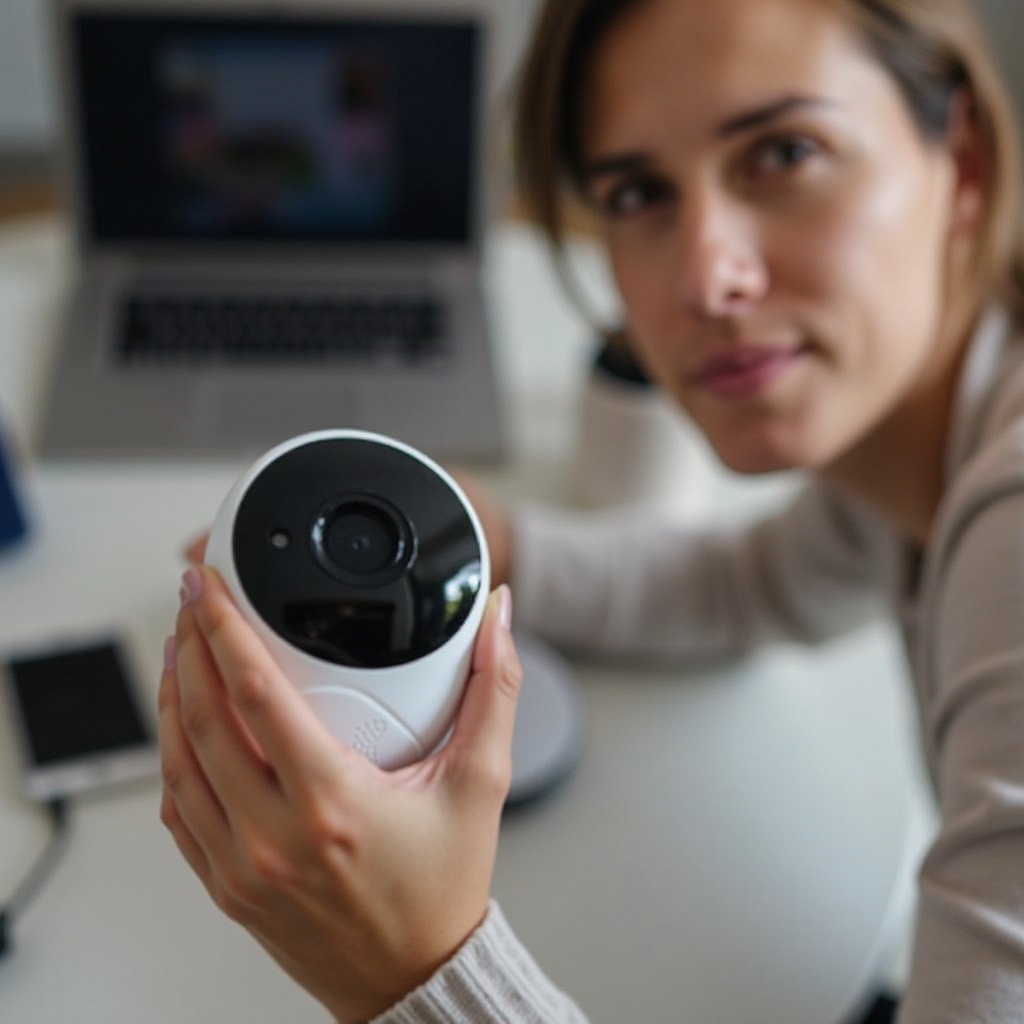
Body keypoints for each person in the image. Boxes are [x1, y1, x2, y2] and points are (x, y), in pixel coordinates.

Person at [157, 0, 1024, 1020]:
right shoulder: (901, 464)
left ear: (962, 159)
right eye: (638, 192)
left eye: (784, 153)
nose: (706, 276)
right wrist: (499, 544)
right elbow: (747, 585)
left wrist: (419, 970)